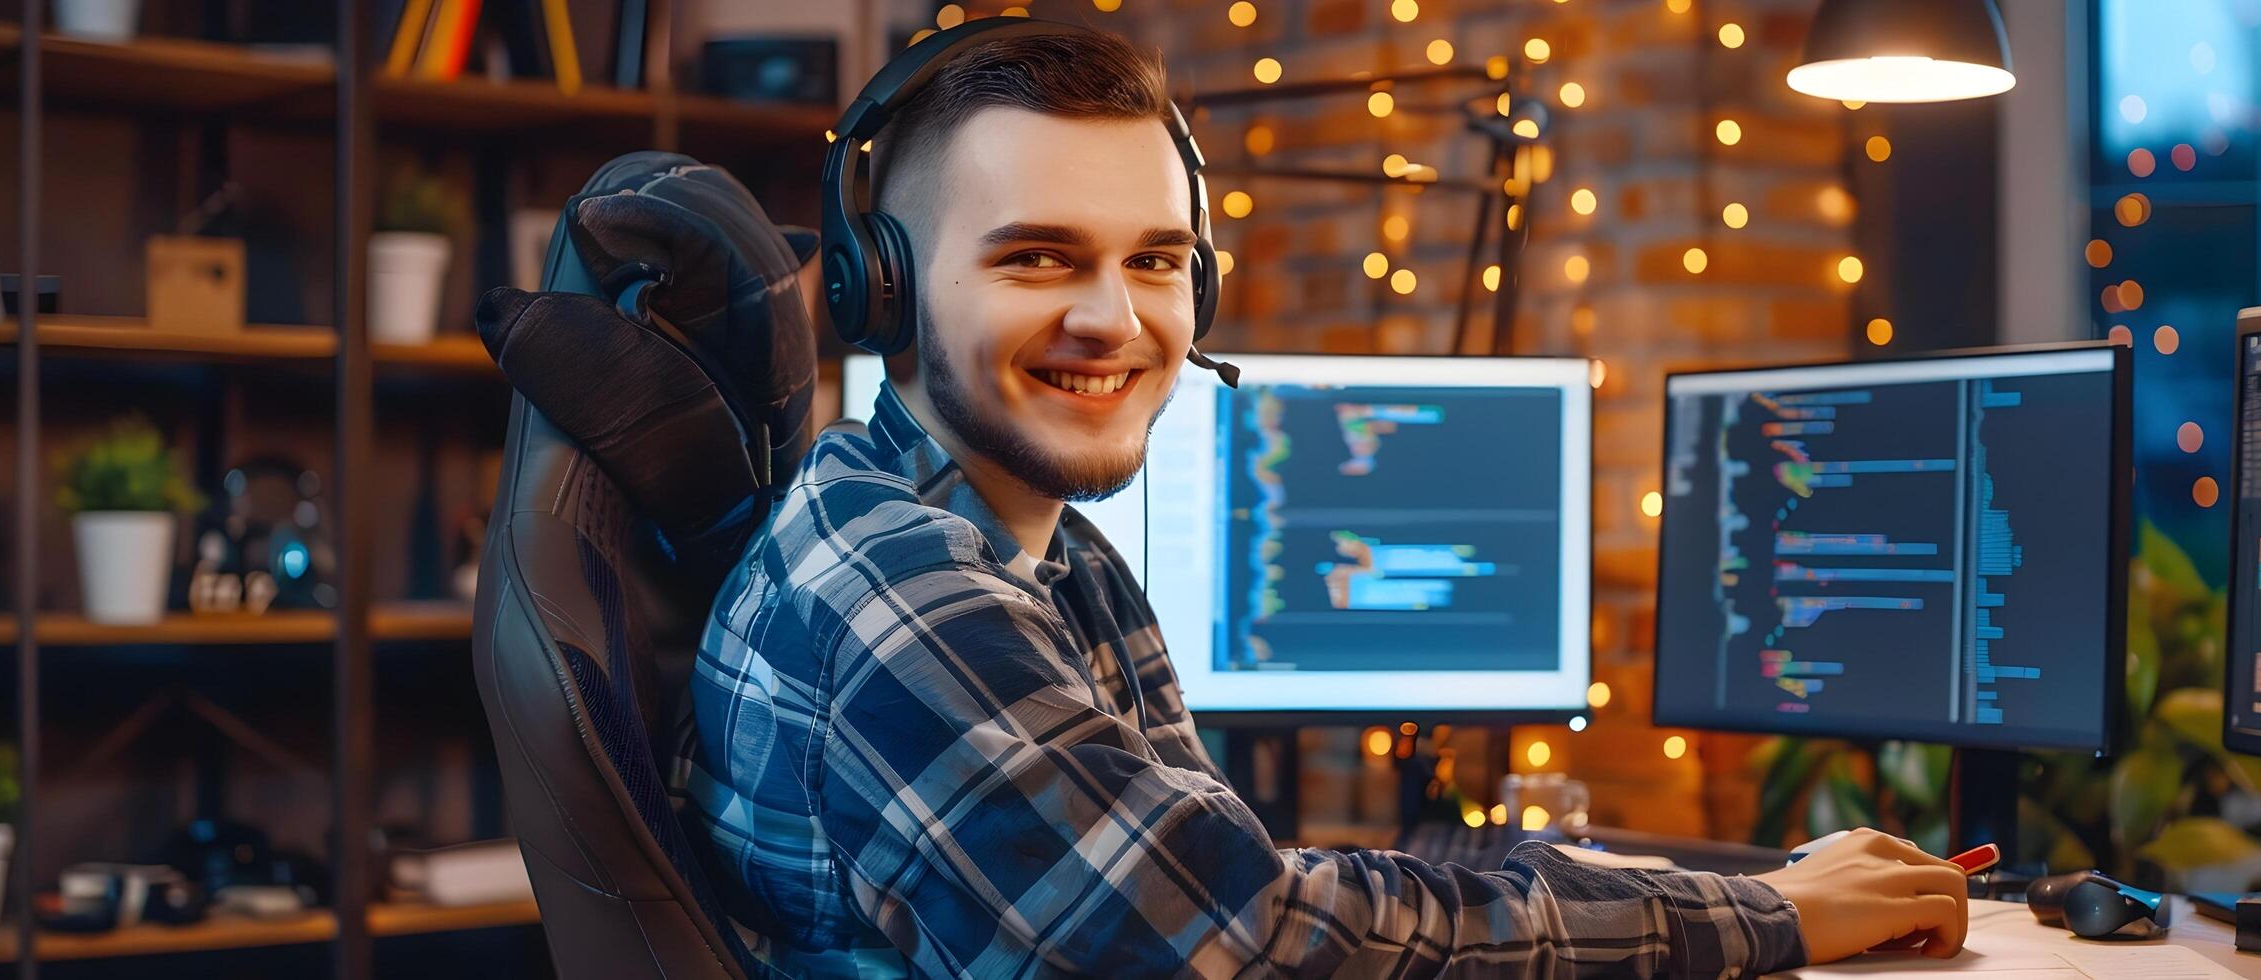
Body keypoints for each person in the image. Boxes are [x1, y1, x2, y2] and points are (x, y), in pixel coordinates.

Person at [679, 21, 1969, 978]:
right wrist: (1769, 915)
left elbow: (1224, 885)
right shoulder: (902, 592)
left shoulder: (1043, 553)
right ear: (880, 293)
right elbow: (1253, 941)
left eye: (1158, 261)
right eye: (1035, 258)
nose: (1114, 318)